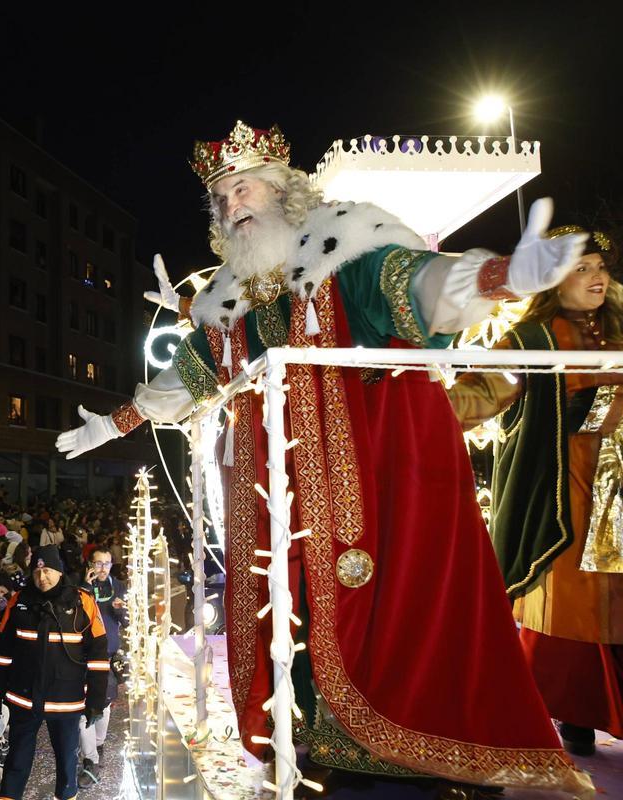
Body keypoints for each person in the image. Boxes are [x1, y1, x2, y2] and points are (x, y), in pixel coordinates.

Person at [55, 120, 592, 796]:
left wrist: (500, 277)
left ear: (282, 189)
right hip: (279, 485)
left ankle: (414, 747)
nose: (231, 204)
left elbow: (418, 285)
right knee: (296, 604)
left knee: (395, 600)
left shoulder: (346, 244)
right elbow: (189, 375)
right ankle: (324, 735)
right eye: (220, 197)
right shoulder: (233, 296)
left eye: (243, 188)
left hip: (376, 462)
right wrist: (114, 423)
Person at [449, 226, 623, 757]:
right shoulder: (531, 341)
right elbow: (481, 393)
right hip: (567, 489)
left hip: (620, 485)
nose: (596, 277)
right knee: (576, 596)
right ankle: (576, 710)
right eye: (581, 268)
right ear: (553, 280)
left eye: (599, 267)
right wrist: (417, 413)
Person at [0, 545, 107, 800]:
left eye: (48, 571)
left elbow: (98, 656)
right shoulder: (18, 601)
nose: (42, 577)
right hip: (24, 698)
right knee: (17, 760)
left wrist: (96, 700)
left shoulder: (83, 602)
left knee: (67, 762)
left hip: (65, 701)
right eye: (37, 572)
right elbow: (3, 652)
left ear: (60, 571)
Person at [78, 546, 127, 787]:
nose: (103, 568)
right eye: (98, 563)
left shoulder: (118, 586)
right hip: (82, 656)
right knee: (82, 709)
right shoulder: (79, 587)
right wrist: (85, 589)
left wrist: (121, 611)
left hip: (107, 656)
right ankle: (90, 760)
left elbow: (126, 621)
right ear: (90, 564)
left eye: (107, 563)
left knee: (104, 705)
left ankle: (98, 745)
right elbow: (75, 616)